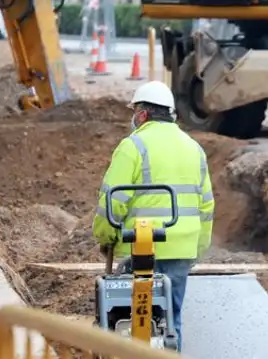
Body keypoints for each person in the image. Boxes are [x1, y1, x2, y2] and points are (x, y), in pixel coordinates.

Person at [92, 80, 214, 352]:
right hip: (182, 247)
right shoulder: (193, 148)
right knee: (172, 317)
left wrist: (105, 236)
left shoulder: (133, 146)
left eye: (134, 112)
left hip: (141, 246)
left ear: (143, 114)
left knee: (129, 316)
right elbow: (206, 206)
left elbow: (112, 200)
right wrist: (198, 248)